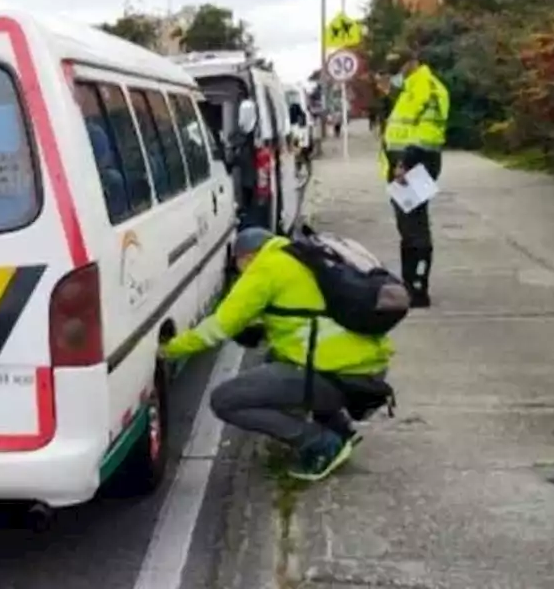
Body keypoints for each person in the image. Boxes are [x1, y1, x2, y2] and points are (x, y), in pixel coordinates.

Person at [162, 227, 394, 482]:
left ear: (247, 257)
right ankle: (338, 427)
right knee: (274, 358)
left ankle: (321, 443)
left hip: (337, 375)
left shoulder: (266, 268)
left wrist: (170, 349)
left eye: (238, 265)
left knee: (225, 400)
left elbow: (219, 327)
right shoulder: (301, 257)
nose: (239, 273)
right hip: (365, 367)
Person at [383, 49, 451, 308]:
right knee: (408, 225)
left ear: (413, 62)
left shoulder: (427, 87)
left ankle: (418, 287)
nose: (398, 73)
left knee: (415, 227)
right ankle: (410, 282)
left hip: (414, 163)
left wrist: (404, 163)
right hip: (406, 164)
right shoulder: (412, 87)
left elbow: (426, 135)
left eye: (400, 67)